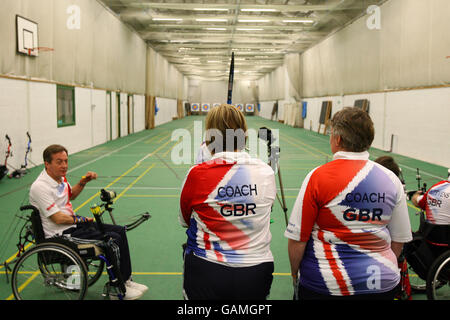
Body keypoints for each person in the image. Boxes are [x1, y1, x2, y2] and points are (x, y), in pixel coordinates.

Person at [285, 107, 412, 300]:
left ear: (338, 140)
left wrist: (295, 274)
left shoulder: (317, 177)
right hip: (382, 284)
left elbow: (297, 240)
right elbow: (398, 240)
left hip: (324, 284)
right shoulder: (390, 179)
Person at [179, 104, 276, 300]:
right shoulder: (266, 172)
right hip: (256, 271)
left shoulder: (196, 174)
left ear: (209, 138)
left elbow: (184, 221)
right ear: (244, 135)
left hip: (206, 269)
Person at [29, 144, 148, 300]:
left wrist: (83, 182)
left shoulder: (59, 178)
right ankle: (117, 288)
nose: (64, 165)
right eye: (59, 162)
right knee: (111, 240)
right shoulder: (40, 186)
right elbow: (57, 218)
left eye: (66, 161)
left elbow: (70, 195)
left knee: (119, 230)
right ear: (47, 163)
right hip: (60, 234)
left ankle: (125, 280)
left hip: (72, 226)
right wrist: (80, 219)